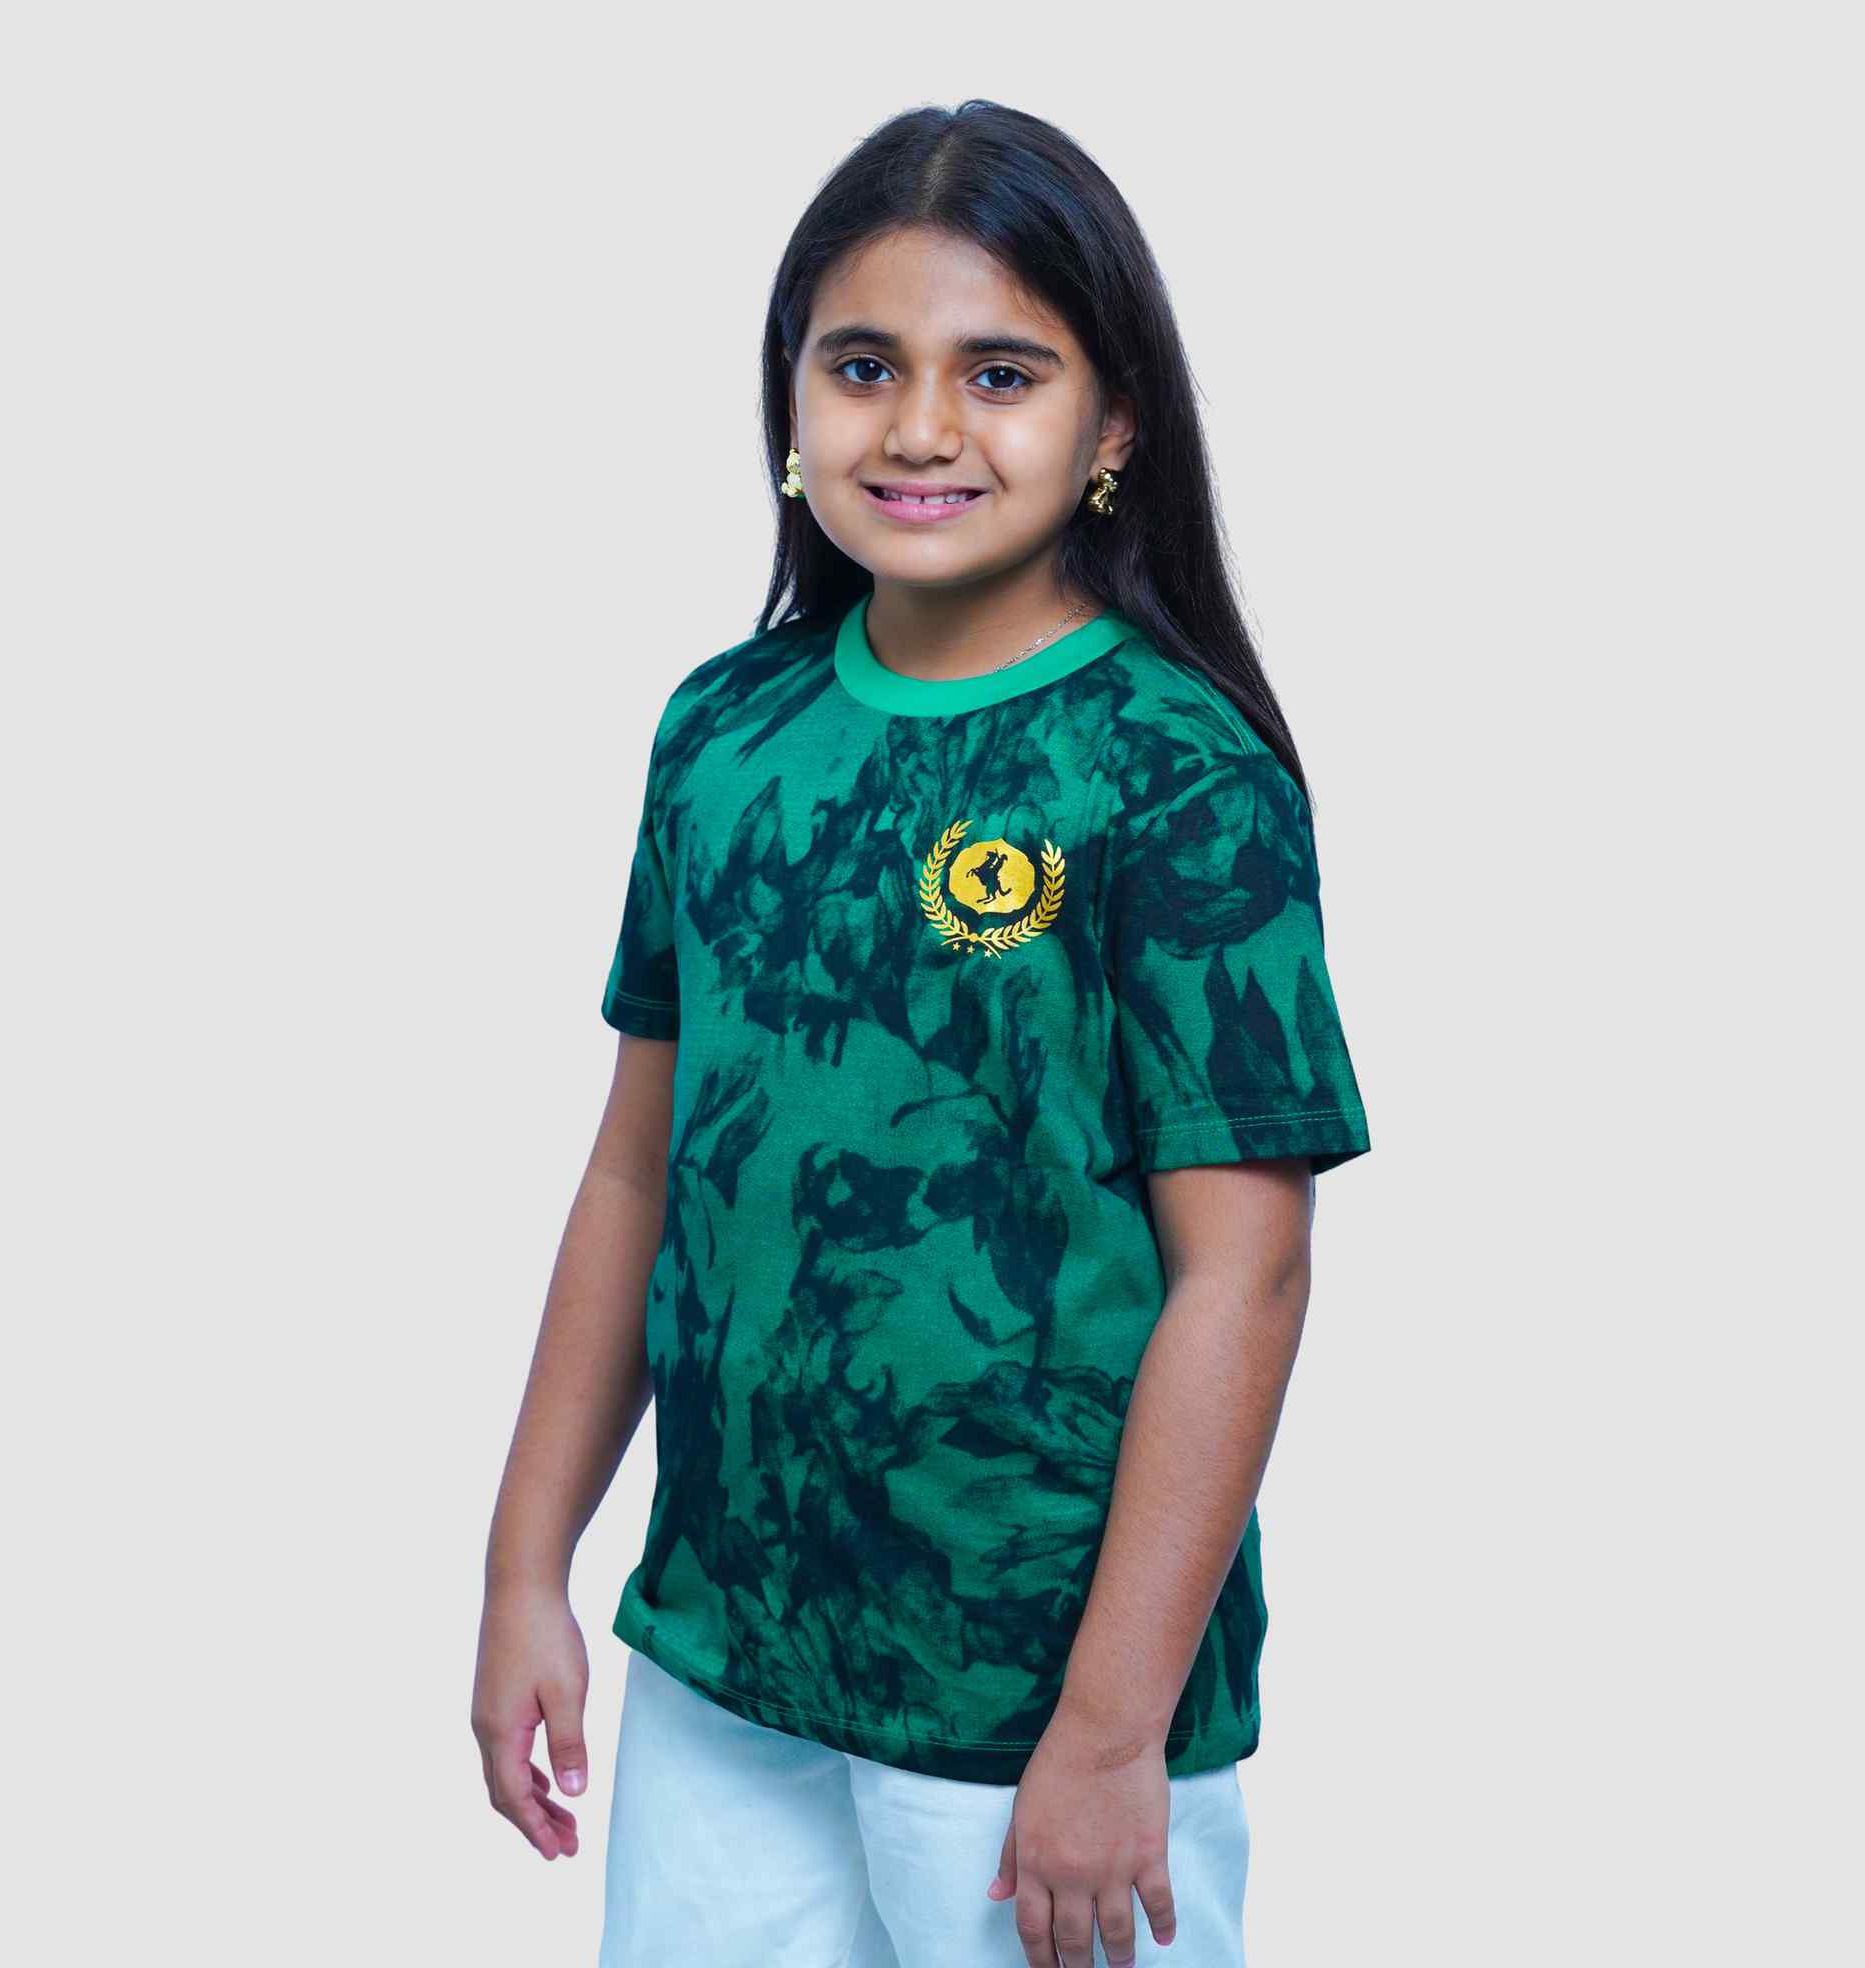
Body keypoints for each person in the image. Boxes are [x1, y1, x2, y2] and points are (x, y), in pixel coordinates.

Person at [473, 97, 1372, 1968]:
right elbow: (639, 1173)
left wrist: (1111, 1731)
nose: (921, 428)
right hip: (727, 1658)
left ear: (1115, 426)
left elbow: (1248, 1275)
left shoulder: (1173, 772)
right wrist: (524, 1565)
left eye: (1003, 373)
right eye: (864, 365)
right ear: (790, 398)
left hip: (1039, 1702)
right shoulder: (725, 733)